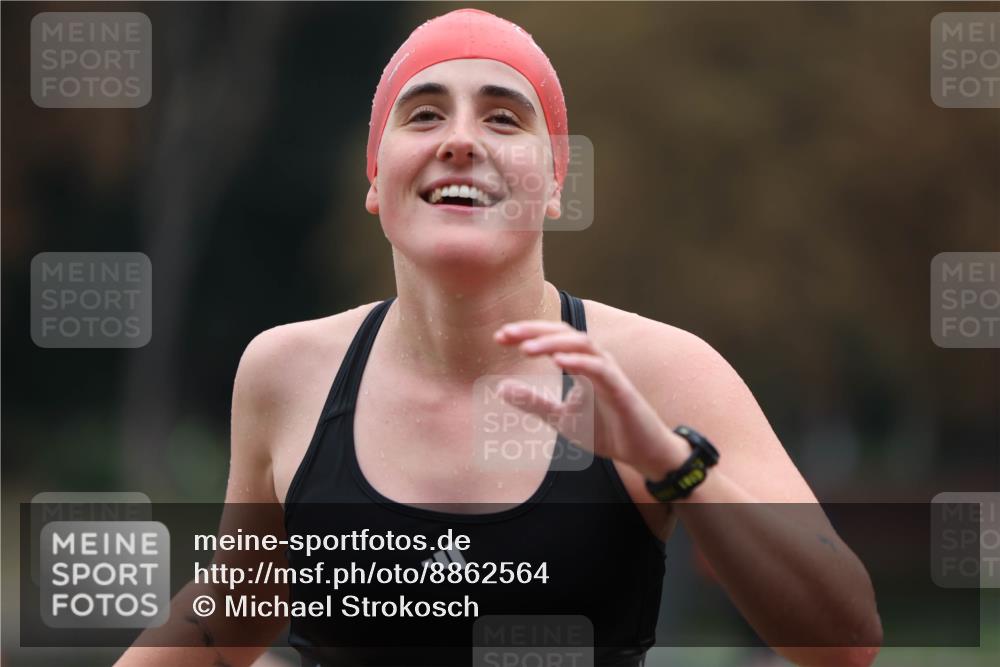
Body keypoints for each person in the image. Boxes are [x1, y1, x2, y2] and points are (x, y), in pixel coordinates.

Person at [115, 8, 882, 667]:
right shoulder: (287, 373)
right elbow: (227, 620)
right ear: (375, 178)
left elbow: (845, 641)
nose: (460, 140)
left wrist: (669, 463)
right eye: (423, 114)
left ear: (555, 182)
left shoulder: (659, 369)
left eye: (504, 117)